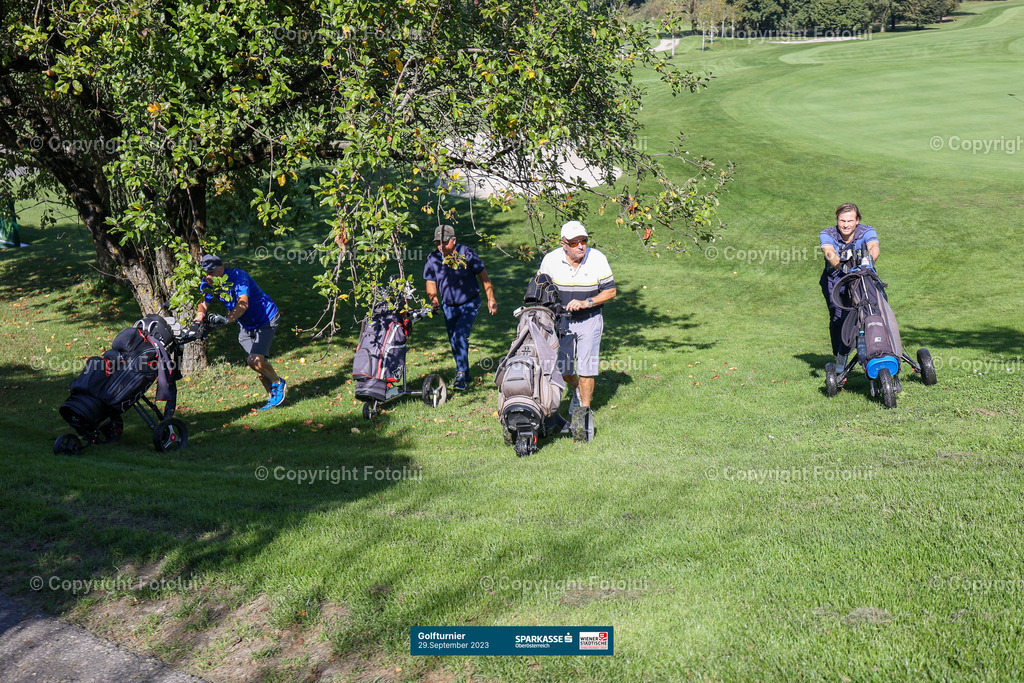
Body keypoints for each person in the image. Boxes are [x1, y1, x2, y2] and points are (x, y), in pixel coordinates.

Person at [538, 220, 616, 437]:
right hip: (561, 322)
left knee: (587, 368)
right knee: (562, 368)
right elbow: (539, 288)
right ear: (564, 244)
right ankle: (577, 391)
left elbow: (610, 292)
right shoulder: (550, 260)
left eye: (584, 240)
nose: (580, 246)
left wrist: (587, 302)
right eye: (574, 243)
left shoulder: (597, 259)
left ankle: (584, 412)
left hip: (590, 319)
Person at [194, 254, 286, 410]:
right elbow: (203, 302)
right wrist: (200, 314)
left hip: (265, 319)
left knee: (255, 360)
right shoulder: (208, 282)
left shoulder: (239, 277)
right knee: (257, 365)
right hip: (246, 325)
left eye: (212, 271)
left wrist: (227, 319)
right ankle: (272, 399)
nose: (208, 276)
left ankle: (278, 382)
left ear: (222, 269)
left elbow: (243, 303)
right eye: (206, 272)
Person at [422, 225, 498, 390]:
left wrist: (491, 299)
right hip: (448, 306)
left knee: (459, 336)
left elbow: (483, 276)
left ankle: (461, 376)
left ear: (453, 240)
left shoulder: (467, 254)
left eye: (444, 242)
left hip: (469, 303)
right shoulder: (433, 258)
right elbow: (430, 280)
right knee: (454, 341)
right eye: (438, 243)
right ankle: (467, 374)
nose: (440, 246)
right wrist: (434, 300)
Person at [819, 203, 880, 372]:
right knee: (839, 317)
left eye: (850, 221)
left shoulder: (867, 231)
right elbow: (829, 251)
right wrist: (842, 266)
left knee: (869, 311)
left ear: (857, 220)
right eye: (842, 220)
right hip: (835, 280)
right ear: (837, 220)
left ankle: (875, 351)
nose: (846, 224)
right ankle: (841, 355)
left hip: (861, 277)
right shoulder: (827, 233)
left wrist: (869, 262)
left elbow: (874, 247)